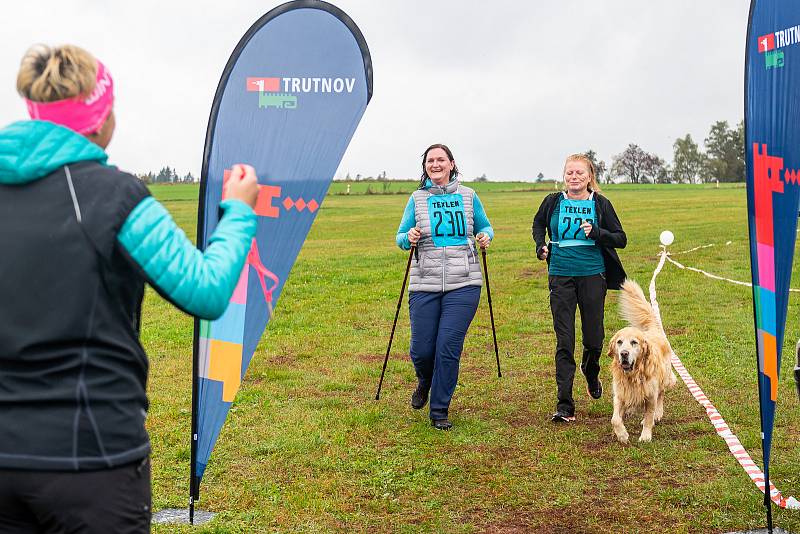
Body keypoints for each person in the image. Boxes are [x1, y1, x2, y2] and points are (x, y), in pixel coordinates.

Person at [0, 44, 259, 532]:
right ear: (100, 119)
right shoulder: (115, 194)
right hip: (93, 458)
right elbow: (204, 290)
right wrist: (240, 213)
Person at [395, 143, 493, 431]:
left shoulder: (468, 196)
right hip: (424, 282)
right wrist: (408, 236)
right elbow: (400, 237)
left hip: (464, 282)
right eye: (430, 160)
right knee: (422, 351)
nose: (435, 164)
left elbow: (485, 227)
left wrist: (485, 236)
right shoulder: (417, 198)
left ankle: (439, 409)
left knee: (447, 347)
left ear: (451, 164)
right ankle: (425, 382)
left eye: (441, 160)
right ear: (425, 166)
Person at [532, 153, 627, 423]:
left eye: (579, 174)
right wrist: (541, 245)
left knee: (594, 339)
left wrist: (597, 232)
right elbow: (538, 224)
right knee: (564, 340)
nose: (574, 178)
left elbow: (621, 239)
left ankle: (591, 367)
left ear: (589, 177)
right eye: (569, 173)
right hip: (560, 276)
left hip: (592, 275)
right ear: (564, 176)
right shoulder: (553, 202)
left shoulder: (600, 204)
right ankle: (565, 404)